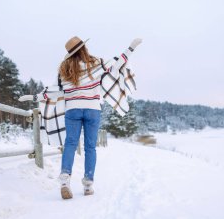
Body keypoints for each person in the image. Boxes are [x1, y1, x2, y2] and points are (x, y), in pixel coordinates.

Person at [20, 36, 142, 199]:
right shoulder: (96, 63)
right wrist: (131, 47)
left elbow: (57, 92)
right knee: (90, 147)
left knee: (70, 143)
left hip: (73, 110)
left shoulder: (64, 70)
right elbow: (117, 63)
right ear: (84, 48)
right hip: (92, 110)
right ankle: (88, 185)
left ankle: (64, 180)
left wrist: (35, 97)